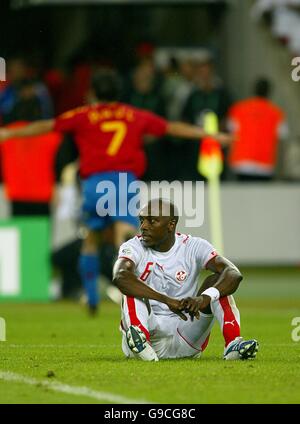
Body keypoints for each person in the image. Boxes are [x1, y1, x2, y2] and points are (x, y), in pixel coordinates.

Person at [0, 69, 231, 314]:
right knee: (129, 240)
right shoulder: (133, 115)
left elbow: (48, 125)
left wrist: (8, 133)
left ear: (92, 93)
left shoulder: (83, 115)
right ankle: (132, 298)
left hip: (93, 185)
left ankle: (90, 297)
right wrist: (209, 134)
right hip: (123, 182)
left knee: (90, 239)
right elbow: (170, 127)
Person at [113, 198, 259, 361]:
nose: (143, 227)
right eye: (142, 220)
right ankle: (141, 343)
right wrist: (167, 300)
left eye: (152, 221)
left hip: (186, 335)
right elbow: (120, 276)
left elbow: (233, 273)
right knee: (130, 287)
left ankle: (233, 345)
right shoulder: (133, 246)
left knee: (218, 283)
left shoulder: (194, 246)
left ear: (171, 224)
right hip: (151, 332)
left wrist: (204, 298)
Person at [227, 78, 288, 181]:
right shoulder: (276, 113)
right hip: (265, 165)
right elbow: (281, 140)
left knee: (242, 196)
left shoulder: (239, 109)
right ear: (269, 92)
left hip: (242, 162)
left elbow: (230, 135)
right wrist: (281, 170)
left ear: (253, 90)